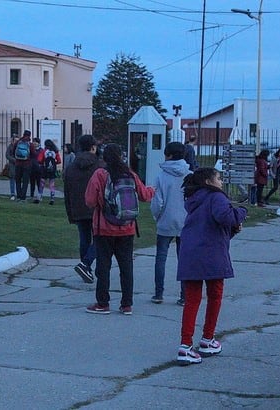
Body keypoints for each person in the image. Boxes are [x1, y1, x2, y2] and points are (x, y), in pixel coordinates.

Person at [176, 167, 247, 365]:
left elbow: (212, 225)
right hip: (211, 254)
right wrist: (241, 213)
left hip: (190, 253)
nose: (221, 182)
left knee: (192, 299)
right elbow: (226, 217)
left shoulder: (193, 199)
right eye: (218, 178)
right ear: (208, 181)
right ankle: (207, 338)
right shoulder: (216, 197)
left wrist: (232, 228)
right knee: (215, 295)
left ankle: (185, 345)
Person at [84, 143, 155, 315]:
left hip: (103, 228)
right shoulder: (129, 174)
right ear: (121, 156)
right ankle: (126, 304)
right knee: (126, 267)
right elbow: (145, 195)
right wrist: (153, 190)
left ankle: (103, 303)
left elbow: (90, 201)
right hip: (127, 228)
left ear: (104, 157)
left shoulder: (100, 174)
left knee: (103, 267)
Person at [150, 142, 190, 305]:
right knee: (184, 259)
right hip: (185, 221)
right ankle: (184, 295)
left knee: (161, 257)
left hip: (166, 220)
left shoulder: (161, 176)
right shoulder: (190, 174)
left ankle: (159, 293)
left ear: (169, 156)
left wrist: (157, 217)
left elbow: (157, 202)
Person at [64, 135, 103, 283]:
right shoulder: (99, 166)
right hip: (96, 208)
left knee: (84, 239)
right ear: (93, 147)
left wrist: (70, 212)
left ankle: (86, 268)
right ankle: (86, 263)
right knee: (99, 238)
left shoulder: (71, 168)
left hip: (78, 208)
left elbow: (67, 192)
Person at [13, 130, 36, 202]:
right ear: (30, 136)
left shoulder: (17, 142)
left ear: (23, 134)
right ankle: (23, 197)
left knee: (18, 180)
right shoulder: (30, 144)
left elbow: (13, 151)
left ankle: (18, 196)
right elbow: (33, 154)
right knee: (25, 181)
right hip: (27, 164)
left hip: (18, 164)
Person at [37, 139, 62, 205]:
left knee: (42, 183)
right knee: (52, 184)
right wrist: (53, 164)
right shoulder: (55, 152)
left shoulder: (44, 151)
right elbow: (59, 161)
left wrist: (43, 163)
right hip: (52, 170)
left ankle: (39, 197)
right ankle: (52, 198)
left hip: (44, 169)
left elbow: (39, 160)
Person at [5, 134, 19, 200]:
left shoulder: (20, 146)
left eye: (17, 140)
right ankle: (12, 194)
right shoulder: (10, 146)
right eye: (15, 140)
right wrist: (13, 159)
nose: (16, 142)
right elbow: (7, 155)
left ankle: (19, 193)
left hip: (19, 164)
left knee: (18, 180)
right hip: (12, 165)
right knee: (12, 179)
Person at [30, 137, 44, 203]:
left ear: (39, 143)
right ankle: (31, 195)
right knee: (32, 183)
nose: (34, 143)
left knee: (39, 183)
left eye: (36, 142)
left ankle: (39, 195)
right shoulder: (31, 150)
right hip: (32, 168)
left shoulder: (41, 150)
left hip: (39, 169)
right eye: (34, 142)